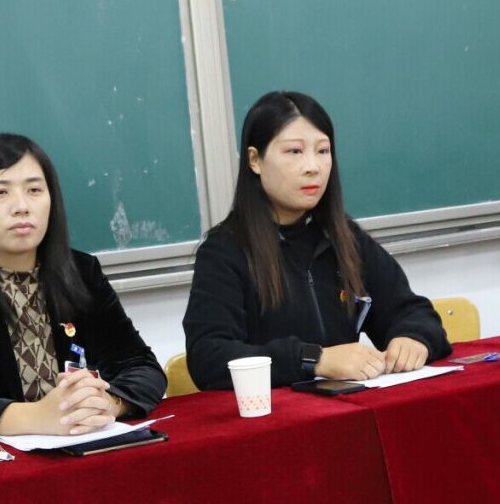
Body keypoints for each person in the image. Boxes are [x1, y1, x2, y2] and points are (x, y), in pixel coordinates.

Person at [0, 133, 165, 442]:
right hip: (1, 464)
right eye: (0, 192)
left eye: (35, 190)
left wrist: (108, 403)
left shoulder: (82, 273)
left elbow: (144, 368)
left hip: (85, 449)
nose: (21, 206)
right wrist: (33, 416)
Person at [181, 90, 451, 391]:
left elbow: (412, 312)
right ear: (255, 160)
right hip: (273, 413)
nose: (313, 166)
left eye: (323, 151)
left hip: (347, 407)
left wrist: (413, 338)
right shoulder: (225, 251)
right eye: (295, 151)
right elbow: (209, 357)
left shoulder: (343, 237)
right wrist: (313, 360)